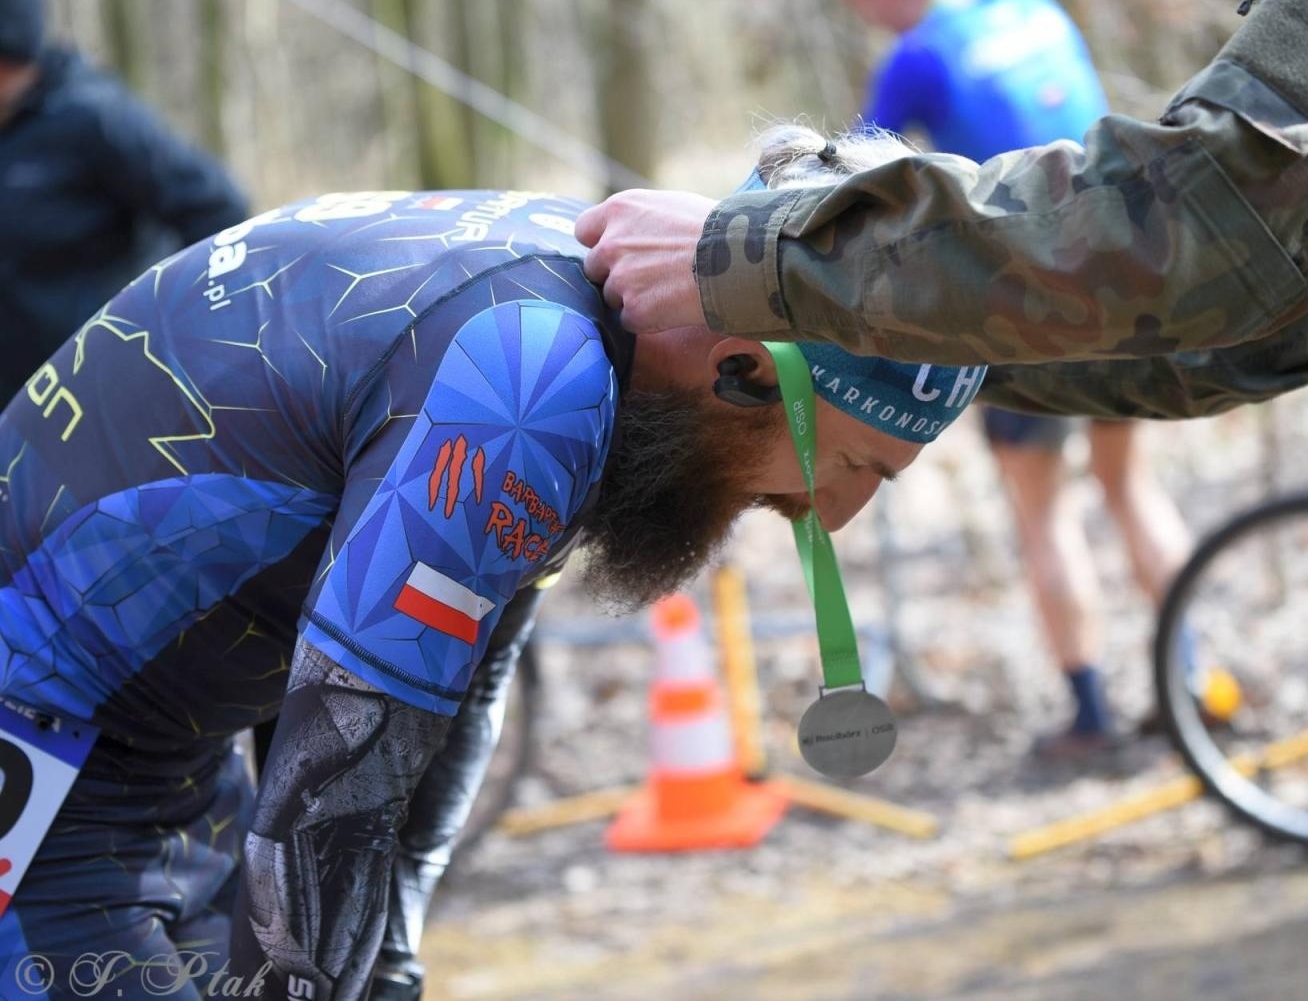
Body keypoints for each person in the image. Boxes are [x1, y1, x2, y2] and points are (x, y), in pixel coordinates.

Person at [577, 0, 1308, 993]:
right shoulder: (1029, 7)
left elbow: (1212, 216)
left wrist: (770, 251)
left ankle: (1107, 698)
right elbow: (1284, 303)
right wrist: (888, 355)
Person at [0, 127, 984, 1001]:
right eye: (853, 465)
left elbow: (456, 689)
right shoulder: (532, 377)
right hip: (50, 743)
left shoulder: (598, 326)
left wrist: (389, 956)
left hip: (155, 739)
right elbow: (346, 760)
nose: (837, 514)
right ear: (742, 367)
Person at [825, 0, 1193, 758]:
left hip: (1027, 312)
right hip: (1125, 280)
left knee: (1042, 510)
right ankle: (1192, 689)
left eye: (858, 0)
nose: (866, 15)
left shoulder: (916, 57)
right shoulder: (1033, 6)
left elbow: (845, 185)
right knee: (1129, 488)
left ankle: (1092, 715)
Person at [0, 0, 248, 404]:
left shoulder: (95, 117)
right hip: (15, 400)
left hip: (103, 391)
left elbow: (217, 209)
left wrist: (175, 327)